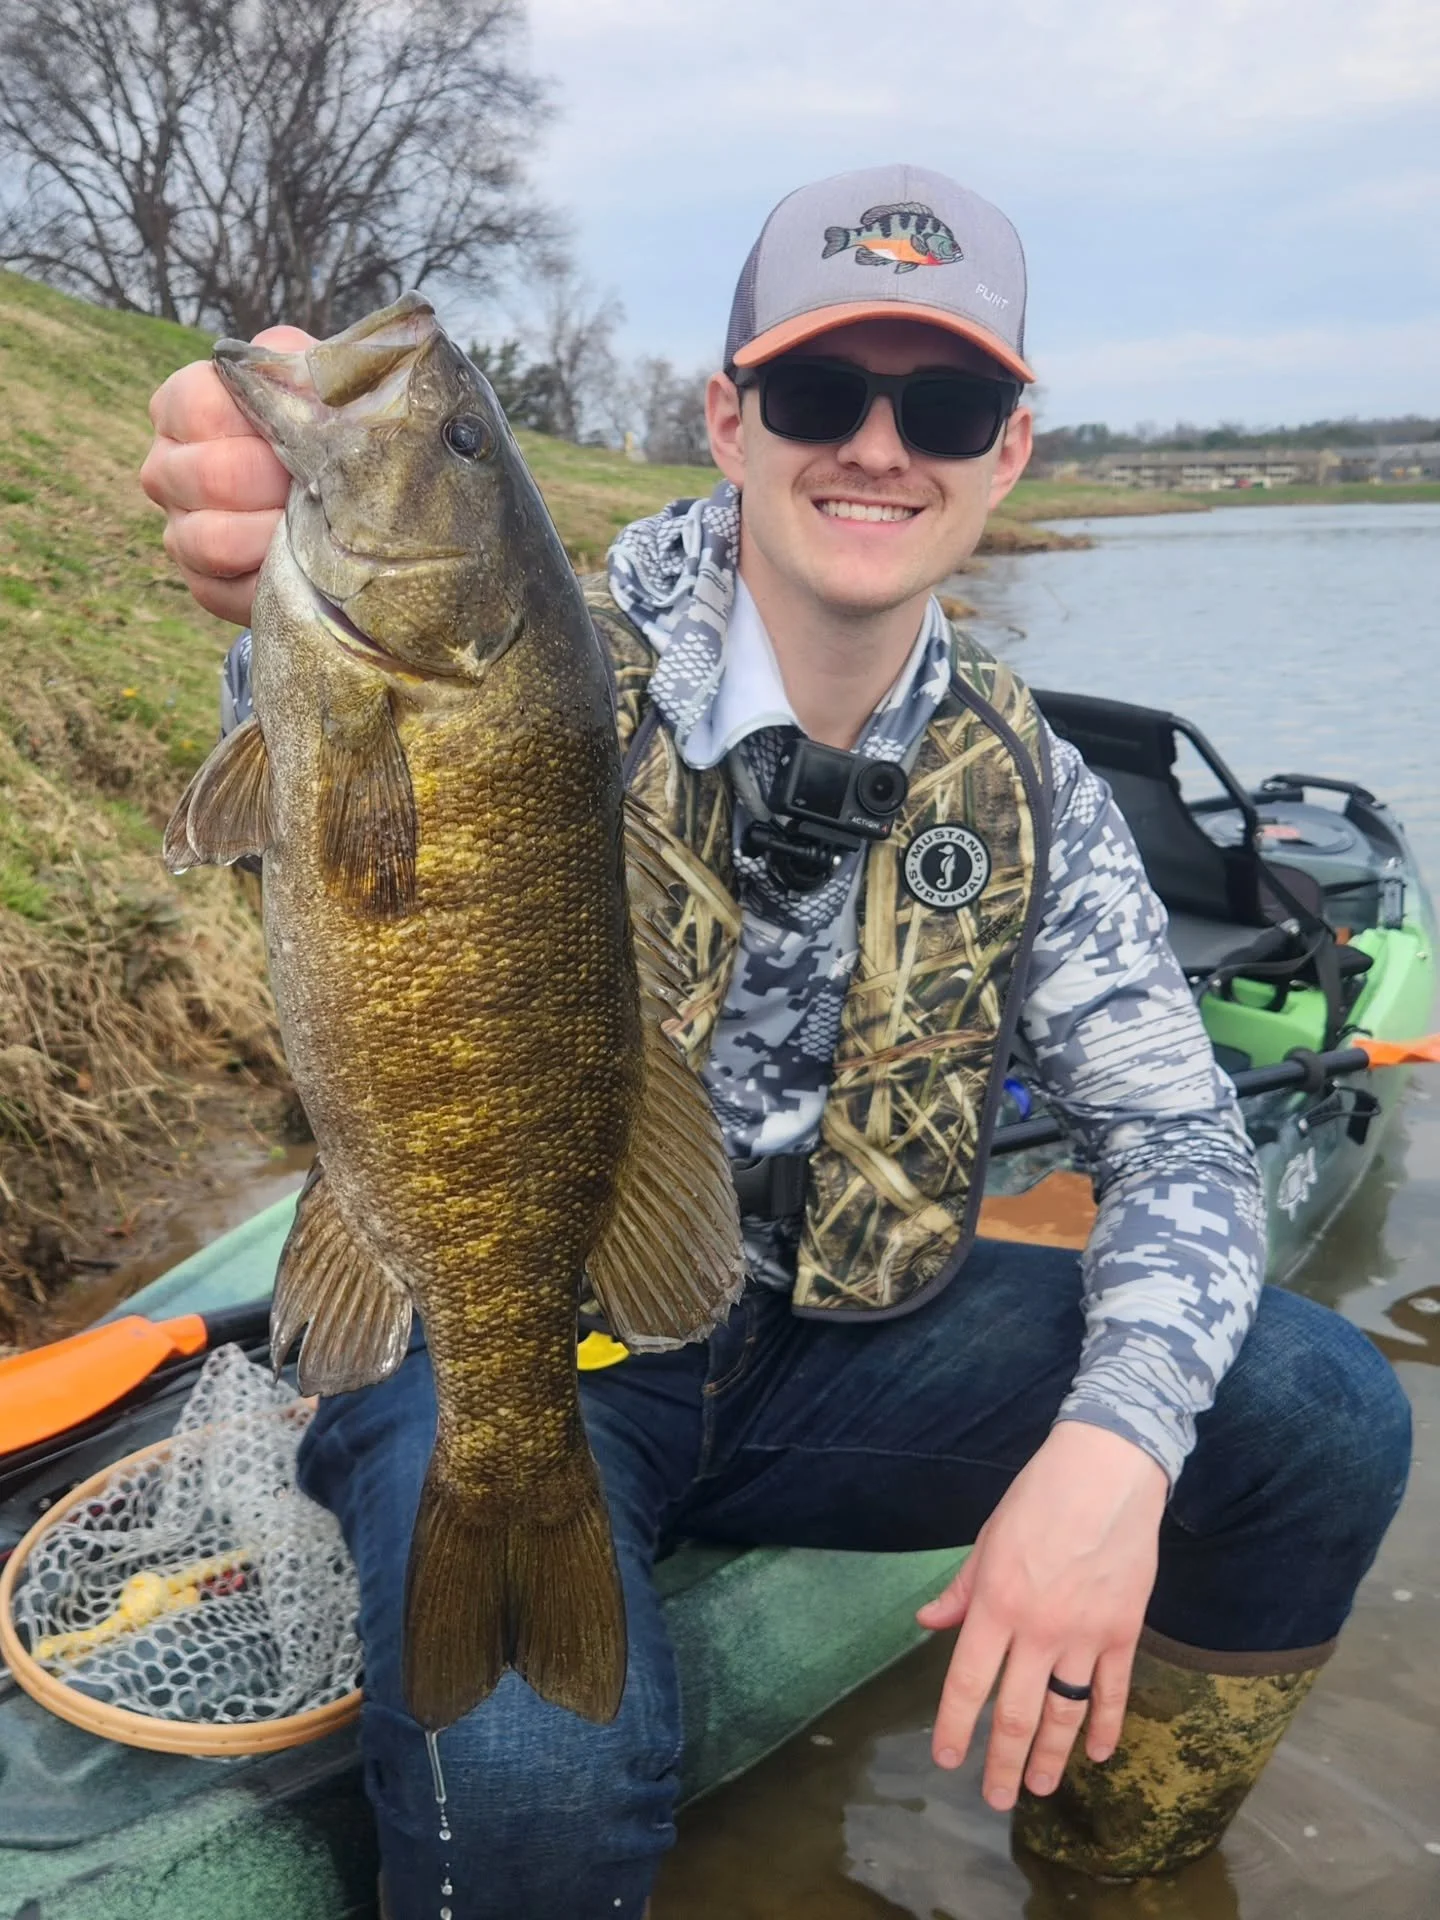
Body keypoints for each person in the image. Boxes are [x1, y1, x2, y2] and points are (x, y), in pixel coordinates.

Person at [142, 165, 1411, 1917]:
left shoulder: (1028, 781)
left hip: (840, 1349)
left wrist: (1114, 1457)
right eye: (824, 393)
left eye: (945, 403)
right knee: (530, 1770)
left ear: (1009, 451)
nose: (881, 448)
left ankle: (1113, 1867)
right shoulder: (531, 643)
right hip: (516, 1321)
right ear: (729, 419)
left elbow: (1185, 1142)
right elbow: (333, 763)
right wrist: (261, 542)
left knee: (1329, 1412)